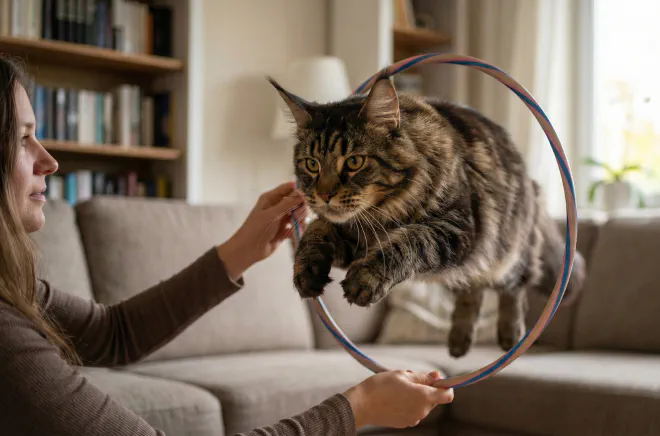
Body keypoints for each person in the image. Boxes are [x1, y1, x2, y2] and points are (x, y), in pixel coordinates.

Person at [0, 55, 454, 436]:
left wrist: (241, 249)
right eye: (24, 139)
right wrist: (359, 407)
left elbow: (114, 334)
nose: (50, 160)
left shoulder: (12, 289)